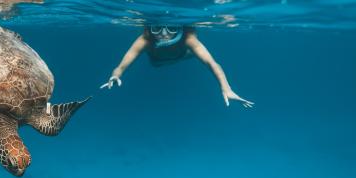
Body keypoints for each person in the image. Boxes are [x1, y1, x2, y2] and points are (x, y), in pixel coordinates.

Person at [100, 25, 254, 107]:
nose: (164, 34)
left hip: (182, 56)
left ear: (180, 28)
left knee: (196, 54)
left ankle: (189, 54)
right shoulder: (144, 41)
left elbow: (211, 63)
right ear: (150, 29)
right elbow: (121, 66)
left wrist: (226, 88)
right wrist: (116, 76)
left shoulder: (189, 39)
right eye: (157, 28)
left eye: (172, 28)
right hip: (157, 63)